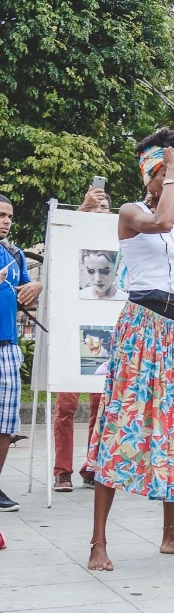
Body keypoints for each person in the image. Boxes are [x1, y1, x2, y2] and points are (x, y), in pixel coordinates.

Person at [88, 128, 174, 571]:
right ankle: (98, 543)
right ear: (151, 173)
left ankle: (171, 533)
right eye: (166, 171)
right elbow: (161, 220)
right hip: (141, 330)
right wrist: (173, 171)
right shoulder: (130, 212)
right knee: (122, 425)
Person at [53, 186, 112, 491]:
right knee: (66, 405)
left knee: (100, 405)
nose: (98, 214)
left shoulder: (117, 240)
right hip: (71, 329)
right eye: (94, 210)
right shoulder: (75, 240)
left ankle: (92, 464)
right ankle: (62, 469)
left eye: (104, 209)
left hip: (104, 330)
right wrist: (83, 207)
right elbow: (59, 241)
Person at [0, 193, 42, 512]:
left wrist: (36, 289)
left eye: (9, 216)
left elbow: (28, 296)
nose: (6, 221)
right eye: (1, 215)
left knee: (6, 424)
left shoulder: (14, 255)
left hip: (8, 347)